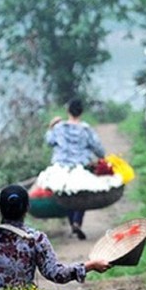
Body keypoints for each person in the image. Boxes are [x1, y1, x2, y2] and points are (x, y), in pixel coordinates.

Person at [46, 97, 106, 240]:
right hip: (81, 167)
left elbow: (49, 141)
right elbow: (99, 149)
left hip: (60, 167)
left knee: (66, 194)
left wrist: (50, 127)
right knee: (81, 195)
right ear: (81, 112)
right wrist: (101, 158)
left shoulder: (59, 128)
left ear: (68, 111)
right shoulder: (86, 129)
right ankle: (77, 222)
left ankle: (72, 222)